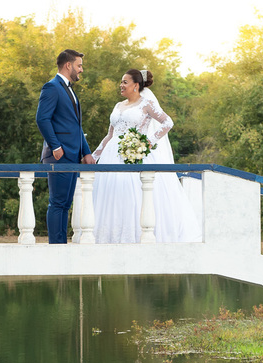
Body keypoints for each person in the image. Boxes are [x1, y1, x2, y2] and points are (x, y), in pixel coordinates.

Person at [90, 69, 200, 244]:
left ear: (136, 85)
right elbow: (110, 135)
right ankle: (109, 237)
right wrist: (94, 155)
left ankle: (134, 237)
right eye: (121, 82)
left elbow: (167, 122)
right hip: (111, 156)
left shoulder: (146, 103)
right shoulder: (118, 106)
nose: (121, 85)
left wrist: (148, 142)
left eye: (125, 82)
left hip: (133, 154)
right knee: (112, 194)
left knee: (133, 195)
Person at [35, 49, 96, 244]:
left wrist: (86, 152)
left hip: (72, 156)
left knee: (65, 204)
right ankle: (56, 247)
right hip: (59, 155)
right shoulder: (51, 87)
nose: (81, 70)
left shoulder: (69, 89)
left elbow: (76, 126)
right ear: (68, 65)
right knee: (58, 203)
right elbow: (42, 119)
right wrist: (55, 146)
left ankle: (62, 246)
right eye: (79, 65)